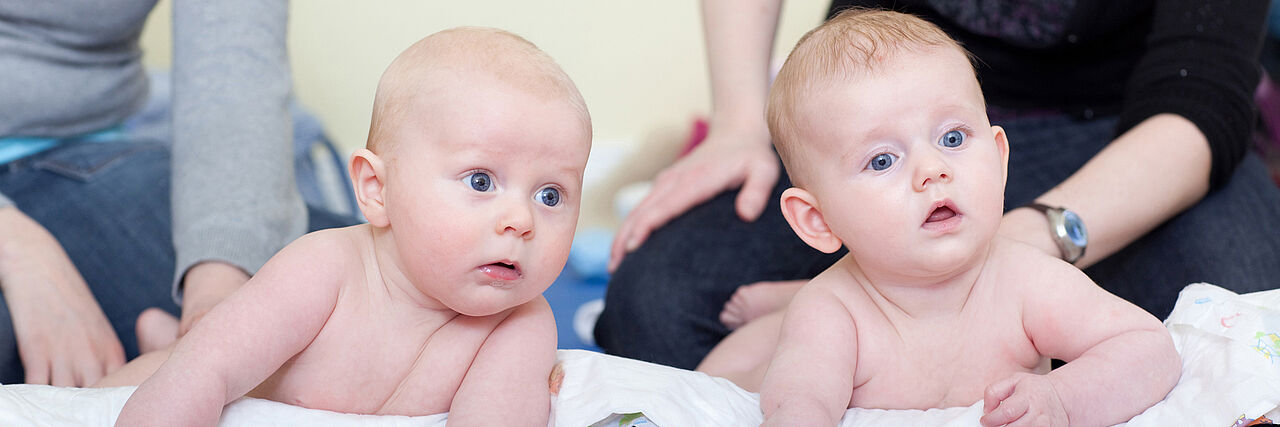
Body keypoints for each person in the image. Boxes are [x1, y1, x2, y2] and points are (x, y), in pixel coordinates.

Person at [596, 0, 1280, 370]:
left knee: (1237, 312)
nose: (933, 174)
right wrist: (739, 123)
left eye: (951, 148)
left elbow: (1200, 103)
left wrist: (1014, 248)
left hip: (1121, 131)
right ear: (813, 218)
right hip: (874, 118)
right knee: (654, 300)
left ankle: (896, 335)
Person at [695, 10, 1180, 426]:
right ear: (818, 220)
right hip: (777, 346)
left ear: (999, 158)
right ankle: (765, 329)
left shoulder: (1027, 281)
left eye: (952, 138)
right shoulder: (833, 312)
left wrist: (1062, 400)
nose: (933, 171)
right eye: (882, 160)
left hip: (1102, 115)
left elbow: (1148, 348)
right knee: (692, 351)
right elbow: (800, 403)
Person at [108, 27, 591, 425]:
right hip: (232, 382)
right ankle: (166, 340)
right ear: (377, 190)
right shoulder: (325, 269)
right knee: (143, 378)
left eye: (550, 195)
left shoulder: (521, 322)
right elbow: (205, 369)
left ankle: (166, 331)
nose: (521, 221)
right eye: (481, 181)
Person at [0, 0, 363, 387]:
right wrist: (18, 249)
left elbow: (232, 57)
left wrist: (216, 296)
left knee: (384, 295)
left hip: (77, 154)